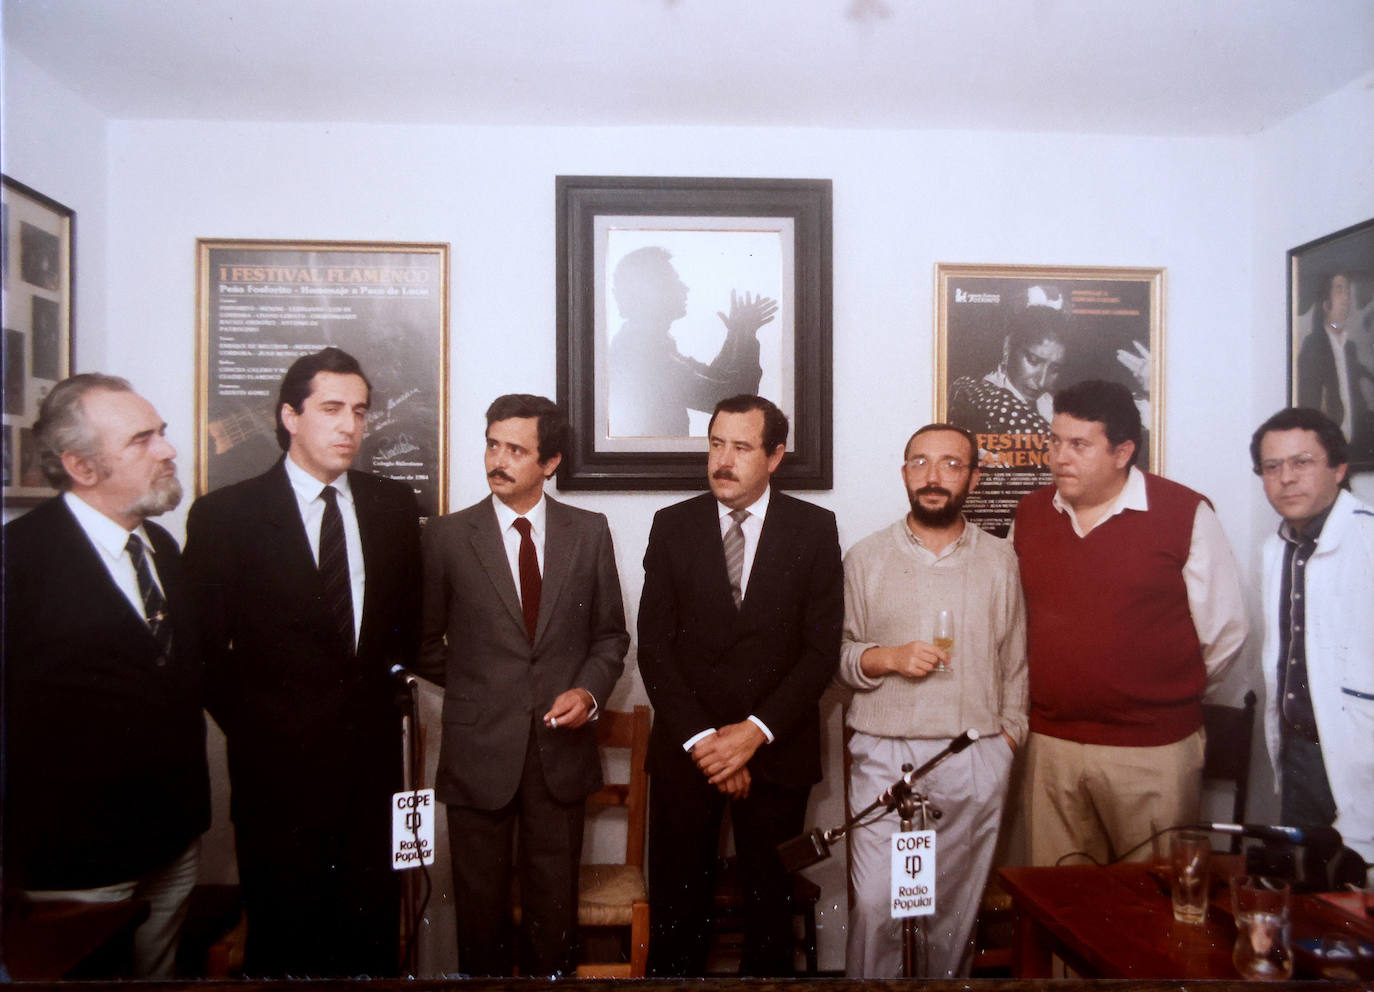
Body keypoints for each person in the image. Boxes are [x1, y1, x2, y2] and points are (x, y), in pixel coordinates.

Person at [184, 347, 421, 977]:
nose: (350, 426)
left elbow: (404, 632)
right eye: (331, 408)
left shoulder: (393, 507)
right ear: (290, 416)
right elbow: (202, 654)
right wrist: (267, 730)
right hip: (276, 781)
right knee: (285, 945)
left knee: (370, 941)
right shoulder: (225, 517)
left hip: (372, 779)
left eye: (361, 411)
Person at [3, 374, 209, 978]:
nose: (168, 450)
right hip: (78, 864)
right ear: (81, 466)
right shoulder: (19, 562)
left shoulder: (161, 549)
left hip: (174, 842)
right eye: (142, 440)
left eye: (162, 433)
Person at [416, 394, 629, 977]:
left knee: (552, 919)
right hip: (478, 752)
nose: (498, 459)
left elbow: (610, 637)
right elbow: (423, 642)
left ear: (550, 461)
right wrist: (482, 692)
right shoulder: (446, 537)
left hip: (558, 754)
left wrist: (587, 694)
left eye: (515, 449)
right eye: (492, 444)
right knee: (479, 923)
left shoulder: (587, 533)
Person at [638, 394, 843, 977]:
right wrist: (708, 741)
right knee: (677, 913)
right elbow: (654, 648)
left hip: (775, 753)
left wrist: (752, 735)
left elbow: (820, 651)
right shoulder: (672, 526)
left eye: (742, 447)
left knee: (769, 916)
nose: (723, 461)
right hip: (688, 753)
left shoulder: (814, 528)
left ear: (775, 456)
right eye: (715, 444)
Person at [1012, 379, 1247, 866]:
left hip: (1153, 750)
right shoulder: (1030, 515)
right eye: (1054, 441)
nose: (1059, 457)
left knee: (1152, 909)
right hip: (1052, 748)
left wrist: (1161, 697)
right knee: (1060, 910)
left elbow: (1225, 633)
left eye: (1079, 445)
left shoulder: (1184, 513)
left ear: (1123, 452)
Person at [837, 423, 1027, 978]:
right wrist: (889, 658)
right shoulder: (865, 558)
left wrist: (1006, 741)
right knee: (878, 905)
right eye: (919, 463)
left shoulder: (999, 560)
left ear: (972, 475)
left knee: (949, 912)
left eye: (949, 464)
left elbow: (1015, 665)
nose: (933, 476)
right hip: (884, 757)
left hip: (973, 757)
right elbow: (838, 658)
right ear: (904, 474)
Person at [1250, 407, 1373, 864]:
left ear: (1339, 469)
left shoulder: (1368, 540)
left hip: (1362, 752)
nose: (1286, 478)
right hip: (1301, 752)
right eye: (1271, 467)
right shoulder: (1276, 548)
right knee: (1305, 897)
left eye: (1302, 462)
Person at [608, 246, 776, 437]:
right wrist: (745, 336)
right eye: (673, 282)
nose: (685, 288)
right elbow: (733, 401)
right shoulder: (642, 351)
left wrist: (737, 333)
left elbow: (715, 378)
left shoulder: (642, 343)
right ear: (649, 293)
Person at [948, 301, 1068, 437]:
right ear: (1007, 347)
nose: (1041, 381)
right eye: (1033, 361)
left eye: (1054, 369)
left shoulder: (1051, 406)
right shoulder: (971, 398)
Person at [1297, 272, 1374, 461]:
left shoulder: (1351, 348)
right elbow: (1310, 404)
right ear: (1325, 303)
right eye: (1339, 289)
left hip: (1355, 449)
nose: (1346, 296)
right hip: (1328, 450)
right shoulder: (1313, 346)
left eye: (1348, 290)